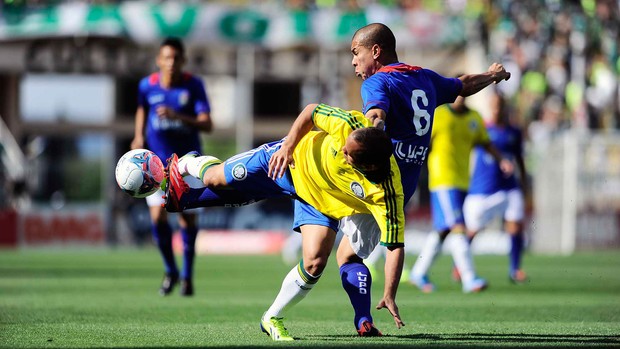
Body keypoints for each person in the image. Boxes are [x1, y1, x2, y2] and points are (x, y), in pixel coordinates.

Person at [163, 103, 406, 340]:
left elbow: (395, 246)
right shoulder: (350, 125)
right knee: (216, 179)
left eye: (348, 153)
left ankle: (271, 318)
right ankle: (186, 163)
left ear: (369, 166)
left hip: (317, 200)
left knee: (315, 263)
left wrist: (389, 293)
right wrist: (288, 145)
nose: (342, 149)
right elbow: (311, 111)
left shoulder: (387, 194)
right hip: (286, 161)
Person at [345, 22, 511, 293]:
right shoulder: (424, 77)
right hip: (402, 187)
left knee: (338, 253)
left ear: (375, 51)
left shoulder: (378, 82)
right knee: (352, 250)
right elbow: (463, 85)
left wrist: (371, 133)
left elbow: (376, 113)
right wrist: (491, 76)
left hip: (376, 183)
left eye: (356, 52)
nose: (353, 62)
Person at [130, 37, 213, 297]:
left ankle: (187, 277)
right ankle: (170, 271)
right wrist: (138, 136)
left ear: (183, 60)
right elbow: (142, 109)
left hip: (186, 162)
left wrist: (179, 117)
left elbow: (207, 123)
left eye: (176, 58)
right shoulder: (147, 85)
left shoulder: (193, 85)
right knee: (158, 217)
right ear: (159, 60)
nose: (171, 63)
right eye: (166, 57)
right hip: (155, 164)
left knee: (188, 218)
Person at [408, 94, 513, 293]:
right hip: (442, 179)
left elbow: (485, 143)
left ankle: (418, 272)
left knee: (444, 229)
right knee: (458, 227)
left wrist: (502, 160)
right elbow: (421, 141)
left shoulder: (474, 118)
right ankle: (469, 278)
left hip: (464, 181)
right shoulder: (438, 115)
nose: (461, 98)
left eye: (465, 94)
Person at [463, 91, 528, 283]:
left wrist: (523, 182)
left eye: (500, 104)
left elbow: (520, 159)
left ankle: (515, 269)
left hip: (509, 188)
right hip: (483, 189)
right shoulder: (480, 128)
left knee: (515, 226)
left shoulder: (514, 132)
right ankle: (461, 264)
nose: (497, 108)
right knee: (472, 230)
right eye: (494, 104)